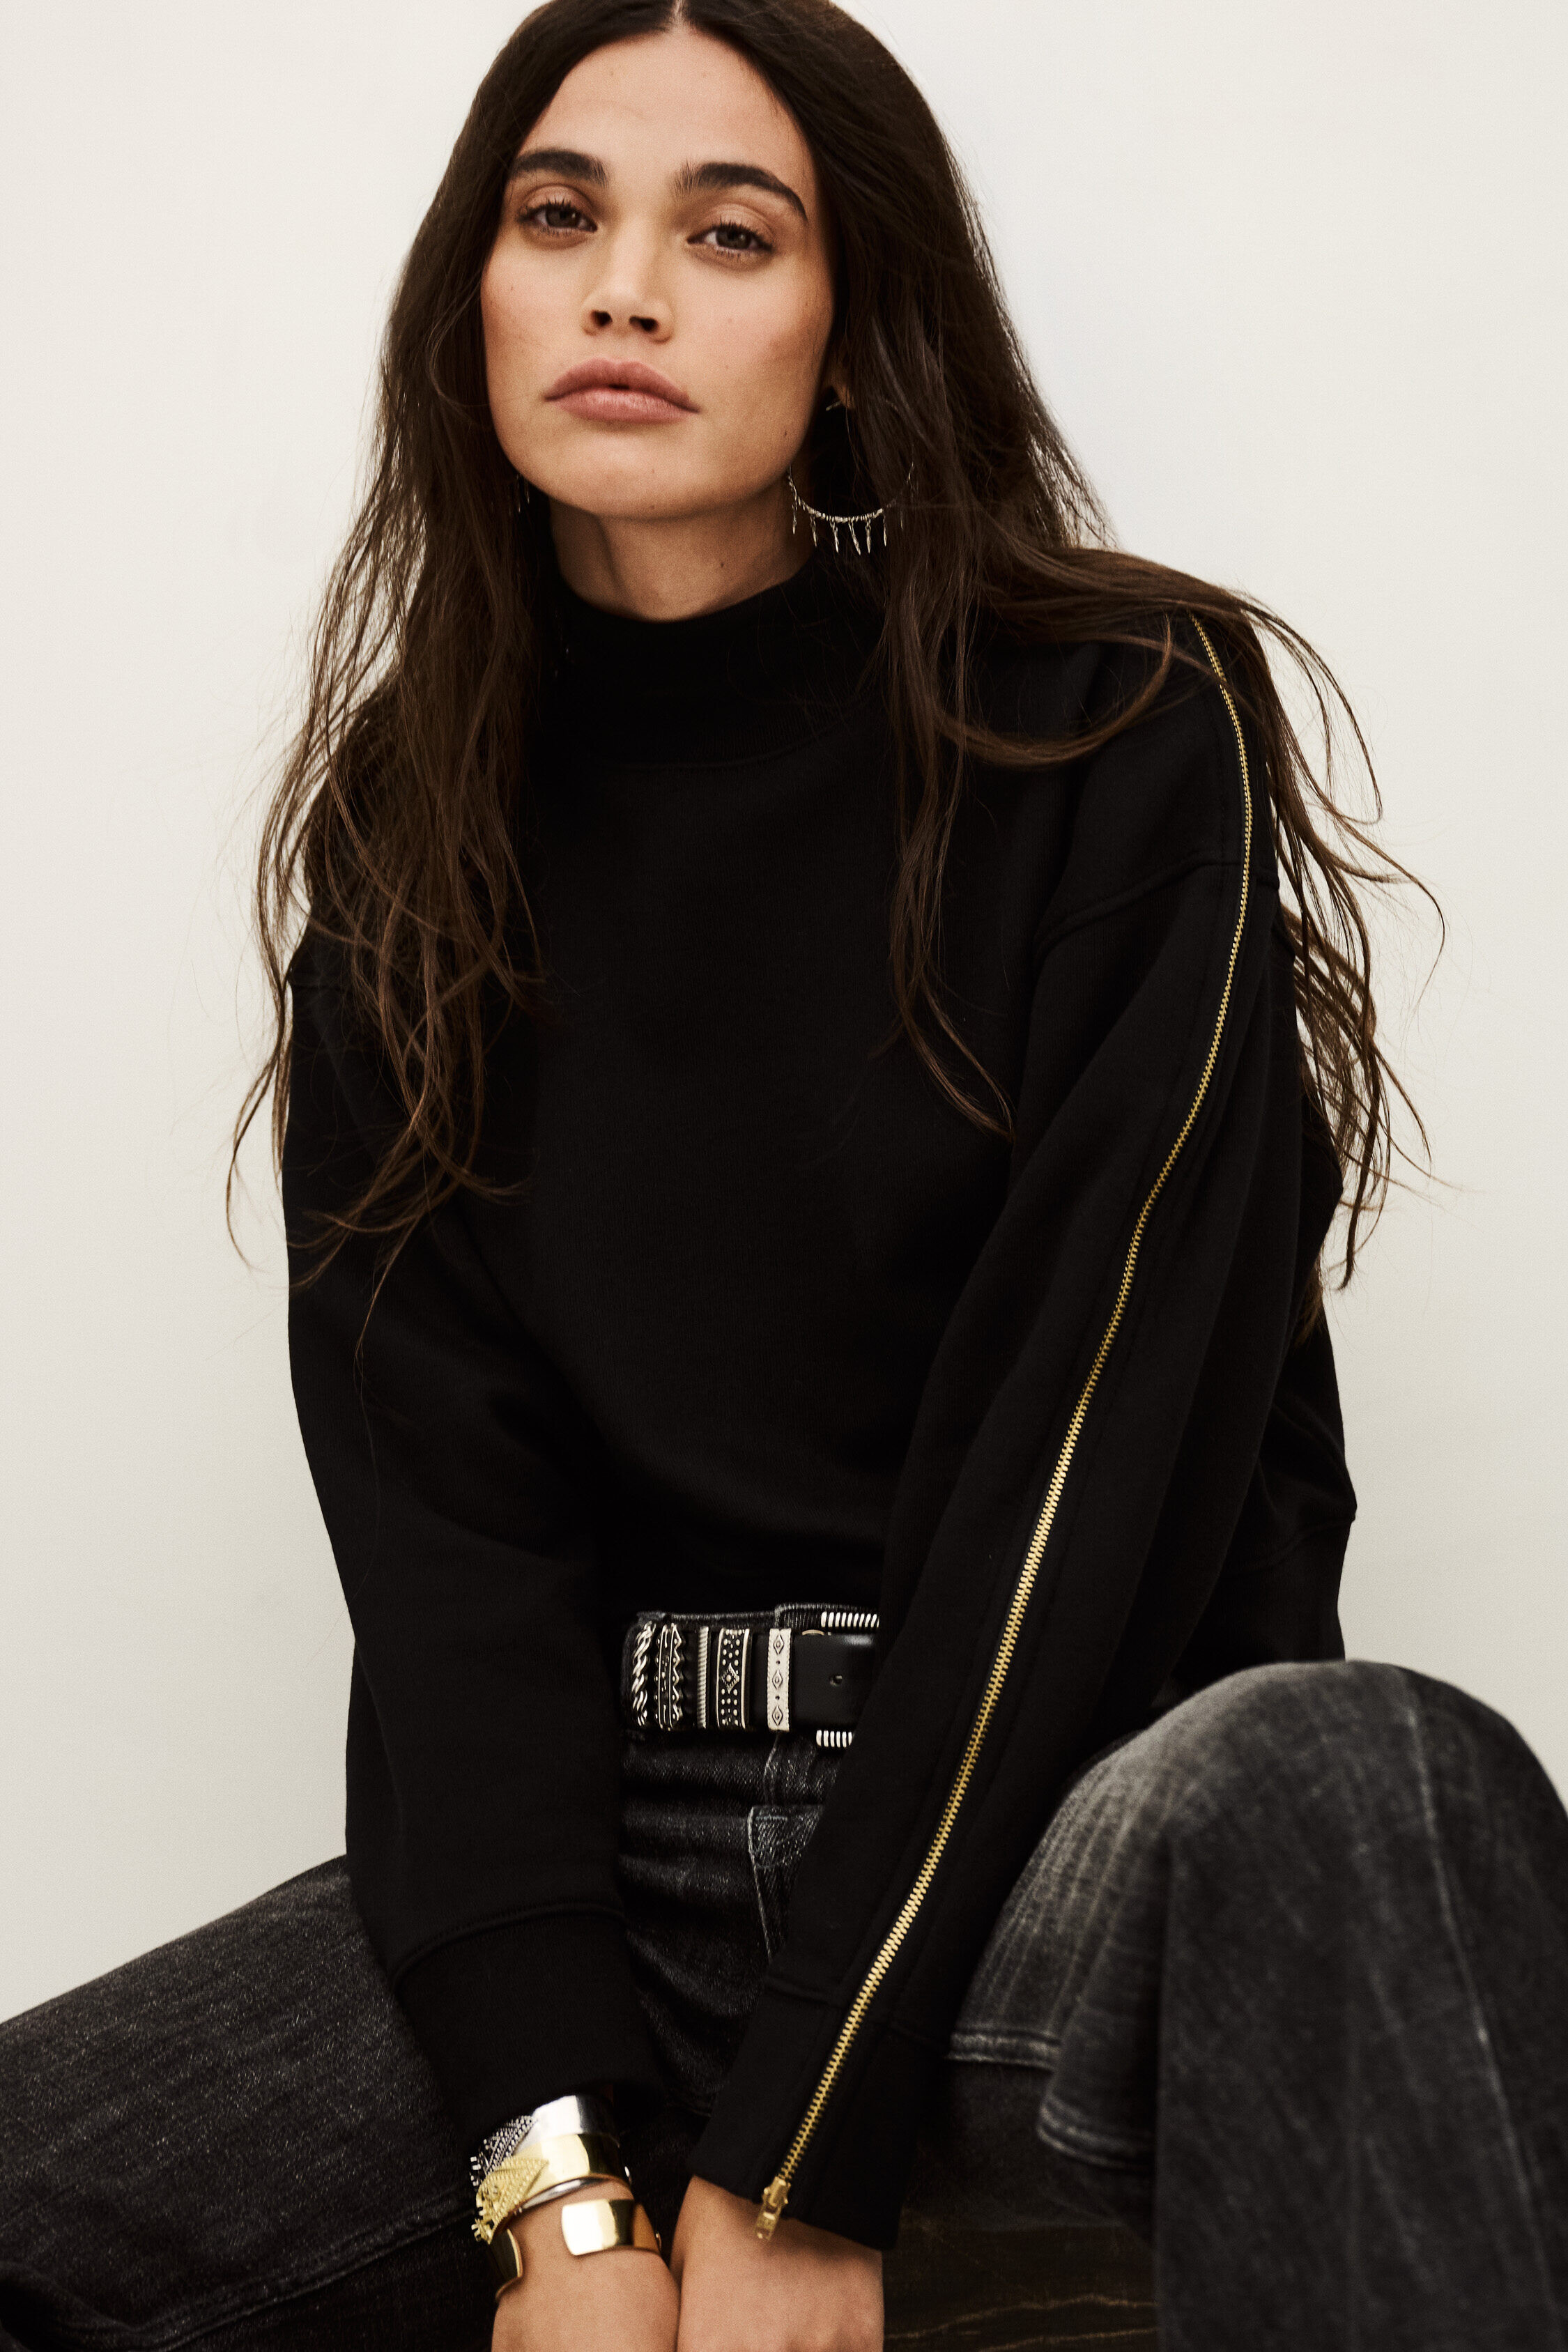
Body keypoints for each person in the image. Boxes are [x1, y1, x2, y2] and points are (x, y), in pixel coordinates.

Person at [3, 3, 1566, 2349]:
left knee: (1370, 1778)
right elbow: (448, 1562)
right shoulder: (411, 835)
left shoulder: (1117, 722)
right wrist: (564, 2197)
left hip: (1041, 1844)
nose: (624, 288)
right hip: (609, 1871)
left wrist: (802, 2151)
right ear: (472, 298)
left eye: (729, 236)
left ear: (853, 338)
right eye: (558, 216)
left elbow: (1092, 1456)